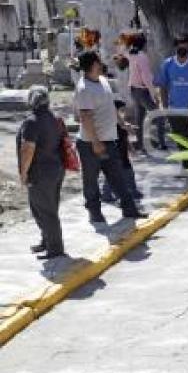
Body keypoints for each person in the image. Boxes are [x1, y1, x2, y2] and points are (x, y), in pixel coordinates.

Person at [74, 52, 147, 223]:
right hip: (90, 144)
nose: (101, 63)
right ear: (92, 65)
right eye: (98, 61)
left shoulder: (103, 81)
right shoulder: (84, 88)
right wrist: (95, 142)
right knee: (91, 181)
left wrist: (122, 124)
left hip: (108, 140)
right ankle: (95, 213)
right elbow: (85, 117)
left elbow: (111, 107)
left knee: (118, 176)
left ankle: (129, 210)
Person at [17, 86, 66, 259]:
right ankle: (47, 241)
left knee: (44, 211)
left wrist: (23, 173)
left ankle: (55, 248)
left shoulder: (32, 121)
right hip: (56, 169)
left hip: (40, 173)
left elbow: (27, 150)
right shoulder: (55, 118)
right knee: (46, 209)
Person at [156, 34, 188, 163]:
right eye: (179, 48)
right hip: (174, 110)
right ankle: (187, 166)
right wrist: (164, 107)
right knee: (180, 140)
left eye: (185, 48)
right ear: (175, 48)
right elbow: (162, 87)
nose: (182, 50)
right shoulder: (167, 64)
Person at [101, 98, 144, 203]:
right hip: (115, 152)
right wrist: (126, 126)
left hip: (123, 152)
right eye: (119, 110)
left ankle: (132, 192)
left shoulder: (120, 124)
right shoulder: (109, 124)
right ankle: (107, 194)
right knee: (115, 174)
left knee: (127, 172)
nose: (121, 113)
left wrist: (131, 148)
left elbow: (125, 138)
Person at [127, 33, 163, 151]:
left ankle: (140, 143)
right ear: (144, 44)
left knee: (139, 117)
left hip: (133, 89)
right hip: (143, 90)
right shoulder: (142, 57)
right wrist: (154, 94)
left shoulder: (132, 55)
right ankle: (160, 142)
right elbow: (146, 78)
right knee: (158, 115)